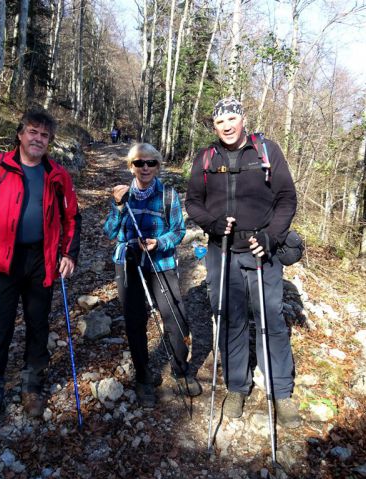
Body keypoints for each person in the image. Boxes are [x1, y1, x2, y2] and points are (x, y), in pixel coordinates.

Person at [185, 97, 300, 428]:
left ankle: (281, 392)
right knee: (230, 318)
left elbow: (286, 198)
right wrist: (211, 223)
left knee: (271, 320)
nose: (227, 126)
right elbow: (193, 201)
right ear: (214, 126)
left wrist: (271, 237)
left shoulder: (266, 151)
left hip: (261, 249)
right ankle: (236, 387)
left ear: (243, 119)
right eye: (220, 121)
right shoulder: (206, 157)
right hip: (222, 250)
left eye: (232, 118)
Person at [0, 109, 81, 433]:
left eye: (44, 135)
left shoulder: (57, 174)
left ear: (50, 142)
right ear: (20, 134)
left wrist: (69, 254)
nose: (38, 139)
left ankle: (32, 387)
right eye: (33, 132)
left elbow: (73, 217)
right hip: (4, 261)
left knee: (37, 327)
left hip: (41, 261)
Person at [104, 143, 201, 408]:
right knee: (135, 321)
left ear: (158, 166)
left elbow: (178, 231)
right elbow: (111, 232)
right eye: (139, 163)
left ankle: (181, 370)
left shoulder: (168, 194)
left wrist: (160, 243)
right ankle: (143, 377)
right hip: (129, 264)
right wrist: (118, 207)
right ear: (131, 166)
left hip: (161, 262)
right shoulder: (122, 195)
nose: (145, 168)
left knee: (176, 317)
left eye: (151, 163)